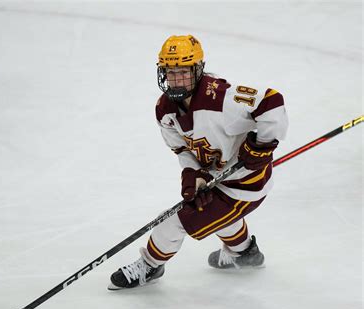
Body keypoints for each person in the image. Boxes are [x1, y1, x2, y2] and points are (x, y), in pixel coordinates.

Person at [108, 35, 288, 290]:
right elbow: (182, 149)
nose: (176, 79)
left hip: (245, 184)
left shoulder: (222, 98)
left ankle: (149, 265)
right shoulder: (165, 110)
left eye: (183, 72)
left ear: (198, 69)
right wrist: (194, 174)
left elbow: (272, 102)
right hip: (219, 178)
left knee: (173, 221)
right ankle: (245, 254)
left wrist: (261, 146)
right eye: (171, 72)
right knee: (215, 214)